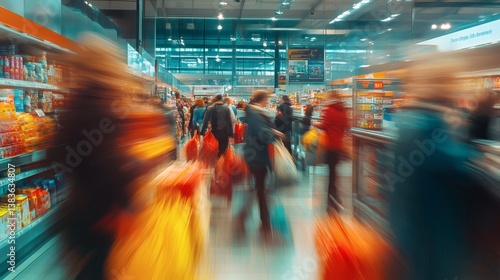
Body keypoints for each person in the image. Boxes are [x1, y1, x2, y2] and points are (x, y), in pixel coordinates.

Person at [237, 90, 284, 235]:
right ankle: (263, 223)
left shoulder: (254, 112)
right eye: (267, 99)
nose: (268, 102)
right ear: (262, 99)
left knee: (259, 188)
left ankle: (248, 217)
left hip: (256, 156)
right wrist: (275, 135)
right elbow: (263, 133)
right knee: (261, 189)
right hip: (257, 156)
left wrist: (273, 132)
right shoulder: (257, 114)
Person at [313, 90, 348, 212]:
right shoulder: (343, 110)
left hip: (329, 145)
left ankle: (330, 197)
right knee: (334, 172)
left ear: (331, 97)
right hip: (339, 145)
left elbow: (324, 126)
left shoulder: (328, 110)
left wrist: (315, 123)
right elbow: (345, 126)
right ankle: (335, 196)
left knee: (330, 172)